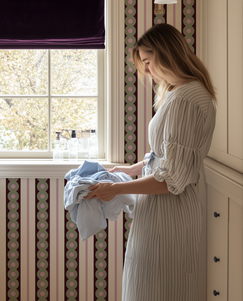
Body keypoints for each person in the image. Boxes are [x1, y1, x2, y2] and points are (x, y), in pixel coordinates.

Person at [84, 23, 216, 301]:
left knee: (155, 288)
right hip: (162, 210)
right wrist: (130, 169)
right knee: (150, 284)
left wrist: (116, 189)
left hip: (170, 211)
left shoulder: (187, 99)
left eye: (147, 61)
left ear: (167, 54)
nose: (145, 70)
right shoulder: (179, 94)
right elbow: (166, 157)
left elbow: (170, 179)